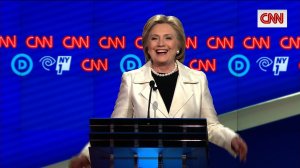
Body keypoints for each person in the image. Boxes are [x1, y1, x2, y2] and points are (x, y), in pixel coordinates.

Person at [69, 14, 248, 168]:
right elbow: (117, 128)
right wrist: (86, 154)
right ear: (147, 46)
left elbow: (209, 126)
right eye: (154, 38)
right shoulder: (131, 79)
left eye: (168, 37)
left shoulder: (198, 79)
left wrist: (230, 139)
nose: (161, 43)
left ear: (179, 45)